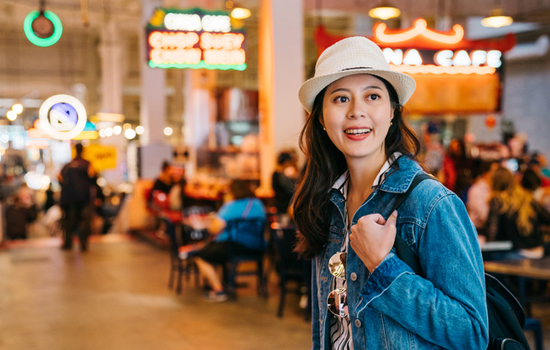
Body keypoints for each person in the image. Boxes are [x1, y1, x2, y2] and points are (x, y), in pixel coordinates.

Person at [293, 37, 488, 349]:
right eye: (340, 99)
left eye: (372, 96)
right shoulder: (327, 204)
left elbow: (472, 334)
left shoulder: (429, 204)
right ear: (320, 117)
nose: (356, 111)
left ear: (393, 111)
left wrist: (383, 265)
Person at [193, 179, 266, 302]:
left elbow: (214, 229)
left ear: (232, 192)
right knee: (216, 250)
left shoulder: (231, 206)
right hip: (257, 246)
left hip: (235, 246)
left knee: (201, 256)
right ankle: (228, 281)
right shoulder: (258, 204)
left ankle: (218, 289)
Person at [484, 166, 550, 259]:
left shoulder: (497, 200)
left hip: (516, 254)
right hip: (539, 250)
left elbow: (492, 234)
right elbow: (547, 218)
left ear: (493, 182)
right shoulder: (527, 197)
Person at [58, 143, 95, 251]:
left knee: (69, 221)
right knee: (84, 222)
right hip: (84, 199)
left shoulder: (67, 165)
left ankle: (68, 243)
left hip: (68, 199)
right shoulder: (87, 164)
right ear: (83, 151)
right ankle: (83, 244)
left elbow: (59, 178)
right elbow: (93, 180)